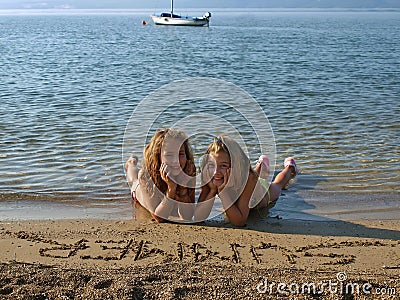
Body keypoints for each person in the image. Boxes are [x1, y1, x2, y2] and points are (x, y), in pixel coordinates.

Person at [194, 135, 298, 226]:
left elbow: (239, 221)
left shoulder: (248, 179)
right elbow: (199, 217)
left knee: (277, 185)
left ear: (235, 166)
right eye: (212, 164)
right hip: (249, 181)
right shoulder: (211, 175)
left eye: (223, 165)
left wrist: (222, 192)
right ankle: (261, 164)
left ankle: (289, 167)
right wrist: (212, 190)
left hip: (262, 195)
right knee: (255, 174)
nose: (216, 171)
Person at [126, 128, 196, 222]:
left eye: (181, 154)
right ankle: (131, 163)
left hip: (166, 203)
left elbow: (187, 217)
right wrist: (171, 189)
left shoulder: (189, 170)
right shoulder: (146, 176)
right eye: (169, 155)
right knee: (134, 179)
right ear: (158, 156)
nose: (176, 161)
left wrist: (183, 187)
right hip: (139, 193)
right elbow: (159, 218)